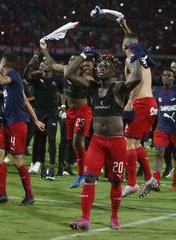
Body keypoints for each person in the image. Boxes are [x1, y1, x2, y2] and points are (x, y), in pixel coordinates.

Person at [66, 48, 141, 230]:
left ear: (112, 71)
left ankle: (114, 218)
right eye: (99, 65)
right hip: (97, 142)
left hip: (116, 143)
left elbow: (137, 78)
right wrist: (84, 54)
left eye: (105, 66)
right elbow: (69, 73)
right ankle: (84, 219)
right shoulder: (92, 88)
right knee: (89, 177)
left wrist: (137, 57)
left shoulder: (118, 88)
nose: (100, 68)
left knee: (116, 181)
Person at [0, 53, 45, 205]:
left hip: (17, 124)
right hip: (7, 123)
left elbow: (1, 79)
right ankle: (2, 194)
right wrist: (36, 120)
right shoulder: (12, 82)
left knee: (17, 161)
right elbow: (24, 100)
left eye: (1, 63)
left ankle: (29, 195)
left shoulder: (13, 75)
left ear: (5, 64)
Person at [41, 41, 94, 188]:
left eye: (74, 60)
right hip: (71, 111)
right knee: (73, 143)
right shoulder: (66, 70)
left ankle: (85, 172)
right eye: (70, 60)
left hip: (83, 111)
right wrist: (44, 50)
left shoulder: (86, 77)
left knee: (78, 142)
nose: (71, 62)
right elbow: (51, 64)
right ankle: (82, 171)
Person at [117, 19, 158, 198]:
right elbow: (133, 40)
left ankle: (132, 183)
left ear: (125, 45)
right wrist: (125, 26)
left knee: (128, 142)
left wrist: (130, 102)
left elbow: (136, 79)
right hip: (151, 104)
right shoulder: (143, 56)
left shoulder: (130, 58)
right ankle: (149, 178)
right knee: (137, 143)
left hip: (140, 103)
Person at [140, 69, 176, 197]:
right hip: (161, 129)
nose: (165, 77)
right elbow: (155, 108)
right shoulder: (157, 91)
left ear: (173, 78)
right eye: (164, 75)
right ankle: (155, 181)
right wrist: (152, 125)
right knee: (159, 153)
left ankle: (175, 183)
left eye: (168, 75)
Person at [26, 60, 63, 181]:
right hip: (39, 115)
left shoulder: (57, 79)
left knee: (51, 140)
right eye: (44, 64)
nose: (45, 65)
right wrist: (29, 64)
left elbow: (64, 92)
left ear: (52, 66)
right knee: (40, 141)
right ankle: (43, 168)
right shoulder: (37, 77)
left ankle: (51, 169)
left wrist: (63, 105)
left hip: (52, 114)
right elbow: (25, 77)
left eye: (48, 63)